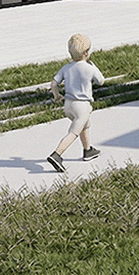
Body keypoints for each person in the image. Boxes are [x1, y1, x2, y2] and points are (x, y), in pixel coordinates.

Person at [47, 33, 105, 172]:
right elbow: (101, 81)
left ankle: (88, 150)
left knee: (85, 125)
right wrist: (93, 65)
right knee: (74, 132)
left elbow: (53, 84)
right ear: (86, 52)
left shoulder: (66, 68)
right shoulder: (88, 68)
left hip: (68, 104)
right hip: (82, 105)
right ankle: (57, 155)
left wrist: (56, 96)